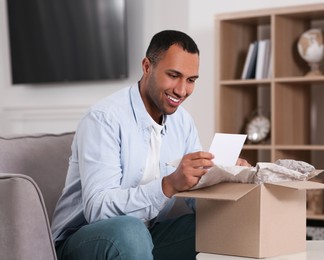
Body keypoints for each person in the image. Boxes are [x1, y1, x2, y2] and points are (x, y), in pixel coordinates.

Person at [51, 30, 249, 260]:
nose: (182, 90)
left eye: (191, 80)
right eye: (173, 75)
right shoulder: (104, 118)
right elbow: (98, 209)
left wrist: (224, 176)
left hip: (147, 235)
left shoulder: (182, 122)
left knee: (218, 226)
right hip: (84, 241)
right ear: (147, 66)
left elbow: (196, 196)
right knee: (130, 231)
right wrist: (169, 184)